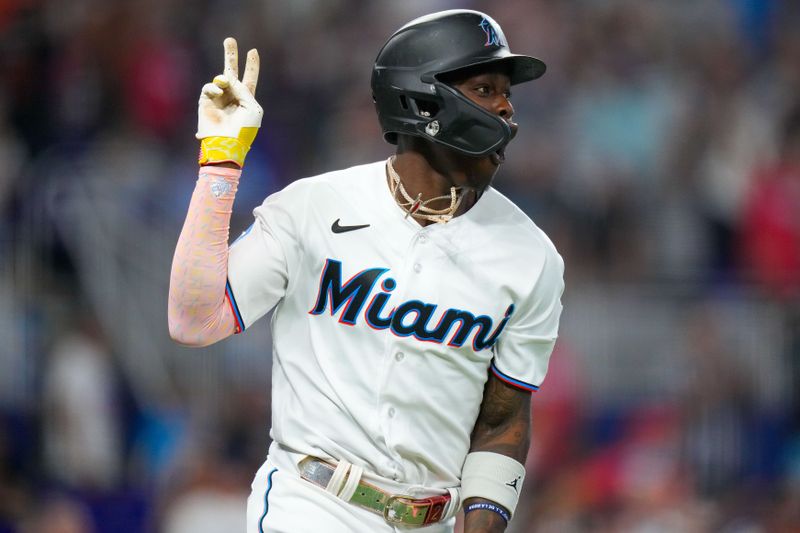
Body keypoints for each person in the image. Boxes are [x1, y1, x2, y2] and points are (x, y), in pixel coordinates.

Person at [169, 9, 564, 533]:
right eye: (485, 87)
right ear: (423, 99)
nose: (507, 109)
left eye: (506, 92)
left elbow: (502, 422)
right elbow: (195, 321)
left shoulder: (532, 257)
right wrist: (220, 163)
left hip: (435, 519)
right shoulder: (310, 208)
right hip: (312, 505)